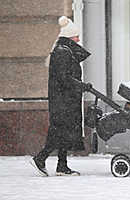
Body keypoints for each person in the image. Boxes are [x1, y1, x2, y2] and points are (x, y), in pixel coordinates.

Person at [30, 16, 91, 176]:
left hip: (65, 99)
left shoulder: (64, 50)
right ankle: (41, 157)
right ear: (69, 37)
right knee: (60, 132)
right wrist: (81, 86)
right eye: (76, 36)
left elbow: (65, 77)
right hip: (63, 101)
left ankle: (61, 166)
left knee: (64, 132)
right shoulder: (62, 52)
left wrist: (79, 86)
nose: (78, 39)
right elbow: (64, 78)